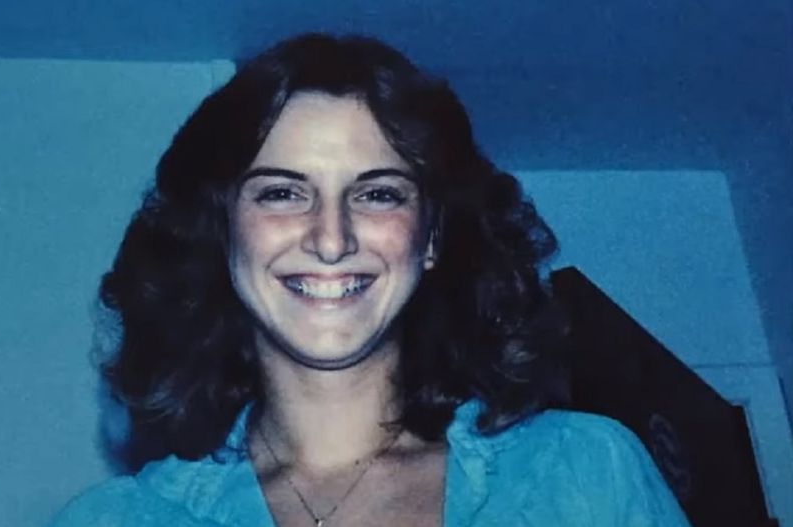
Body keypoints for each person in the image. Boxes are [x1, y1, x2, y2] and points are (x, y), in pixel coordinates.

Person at [50, 33, 690, 526]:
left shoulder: (584, 476)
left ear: (431, 236)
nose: (332, 239)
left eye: (378, 193)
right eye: (282, 193)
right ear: (223, 233)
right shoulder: (112, 521)